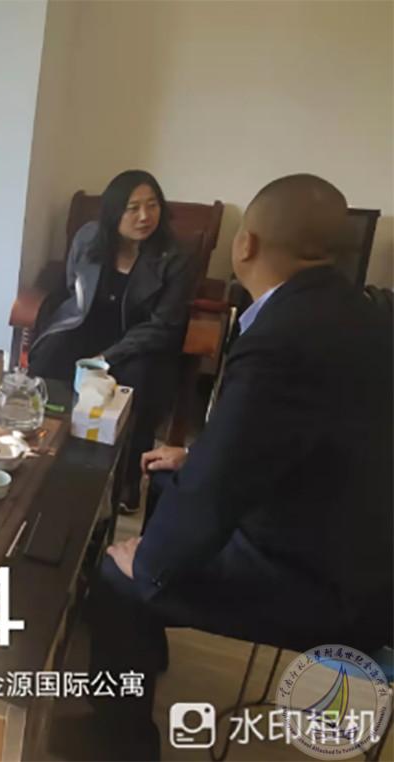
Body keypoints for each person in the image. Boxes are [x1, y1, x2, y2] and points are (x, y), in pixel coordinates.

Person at [79, 175, 393, 759]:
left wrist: (146, 561)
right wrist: (194, 457)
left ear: (245, 244)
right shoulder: (361, 311)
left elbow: (218, 491)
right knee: (168, 475)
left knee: (117, 578)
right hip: (351, 538)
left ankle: (119, 744)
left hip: (325, 580)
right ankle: (147, 647)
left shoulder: (284, 336)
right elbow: (296, 439)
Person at [28, 170, 199, 512]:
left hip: (142, 342)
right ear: (113, 213)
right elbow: (73, 288)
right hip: (85, 325)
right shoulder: (89, 238)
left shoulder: (175, 255)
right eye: (132, 208)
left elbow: (164, 324)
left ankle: (127, 480)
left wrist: (107, 356)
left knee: (138, 384)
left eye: (152, 205)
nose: (145, 216)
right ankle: (44, 454)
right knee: (49, 357)